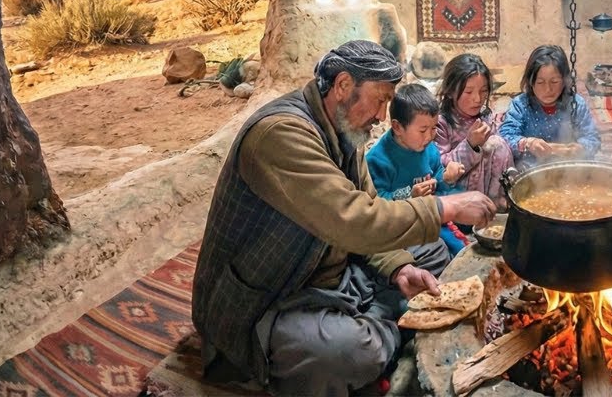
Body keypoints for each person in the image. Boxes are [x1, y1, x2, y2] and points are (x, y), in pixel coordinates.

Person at [192, 40, 497, 396]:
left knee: (428, 252)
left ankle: (382, 313)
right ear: (342, 87)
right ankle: (387, 320)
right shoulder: (280, 135)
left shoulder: (345, 132)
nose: (383, 116)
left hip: (330, 272)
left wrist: (399, 268)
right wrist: (448, 207)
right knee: (347, 353)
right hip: (269, 300)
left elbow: (367, 205)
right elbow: (354, 221)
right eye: (380, 100)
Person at [365, 83, 469, 255]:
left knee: (460, 250)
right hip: (399, 228)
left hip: (429, 218)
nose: (429, 136)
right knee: (437, 254)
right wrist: (410, 196)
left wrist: (447, 178)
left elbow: (437, 185)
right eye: (422, 130)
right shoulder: (377, 160)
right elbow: (376, 205)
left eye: (434, 128)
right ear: (397, 127)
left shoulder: (428, 149)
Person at [498, 44, 601, 170]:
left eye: (554, 82)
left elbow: (592, 138)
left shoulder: (576, 104)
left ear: (565, 81)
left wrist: (577, 149)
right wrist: (528, 143)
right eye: (540, 82)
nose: (548, 89)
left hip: (569, 169)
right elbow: (505, 136)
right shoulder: (520, 105)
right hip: (530, 170)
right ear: (530, 82)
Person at [433, 53, 515, 209]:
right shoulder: (440, 124)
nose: (477, 99)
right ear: (450, 92)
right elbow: (438, 167)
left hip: (491, 194)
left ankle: (501, 202)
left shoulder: (486, 116)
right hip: (456, 197)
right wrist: (470, 145)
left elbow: (500, 156)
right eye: (468, 92)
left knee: (498, 144)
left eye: (483, 91)